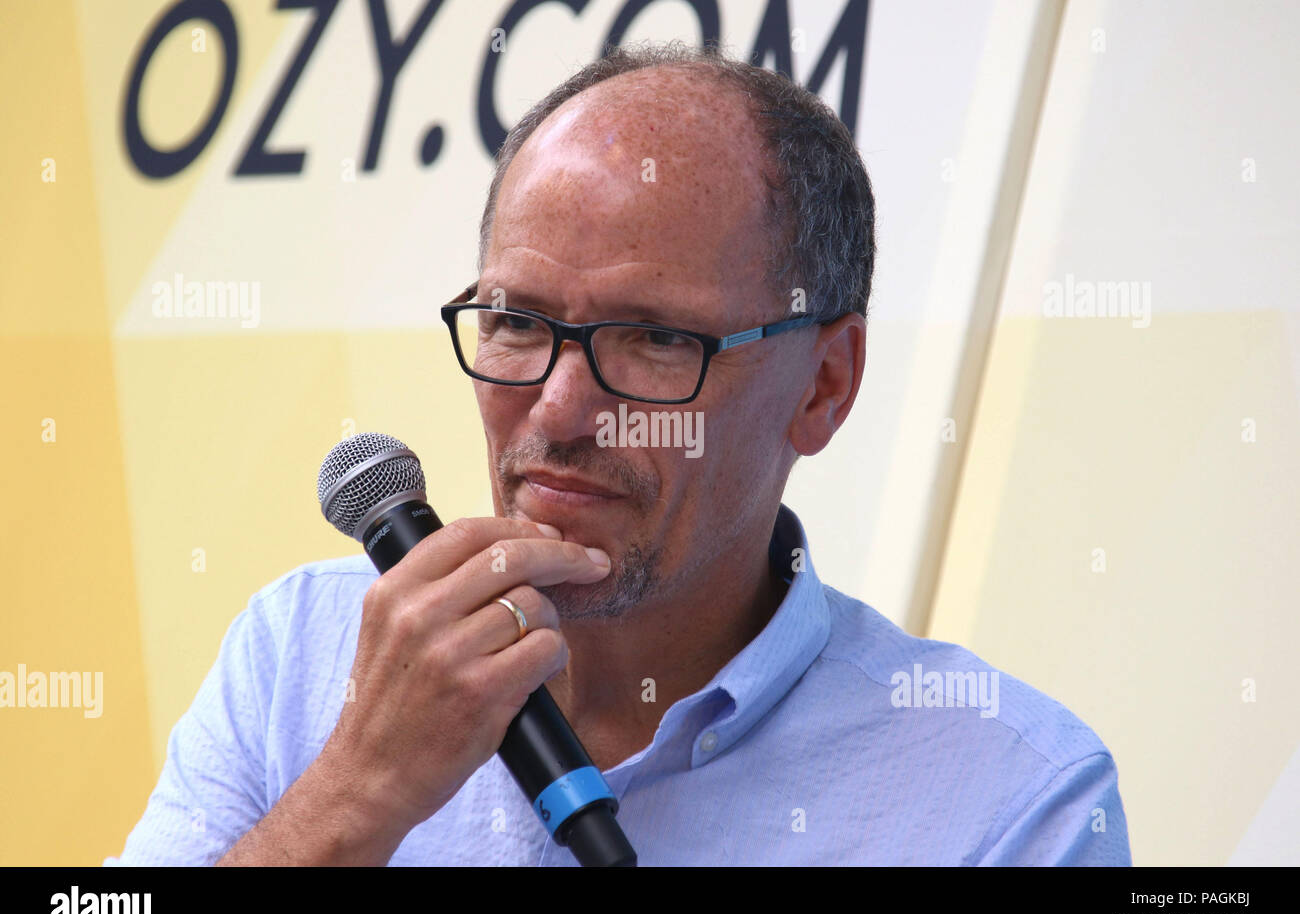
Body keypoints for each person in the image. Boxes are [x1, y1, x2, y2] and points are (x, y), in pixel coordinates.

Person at [107, 42, 1130, 866]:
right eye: (515, 319)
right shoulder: (302, 649)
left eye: (656, 338)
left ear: (823, 385)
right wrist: (353, 797)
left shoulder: (1011, 799)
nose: (559, 408)